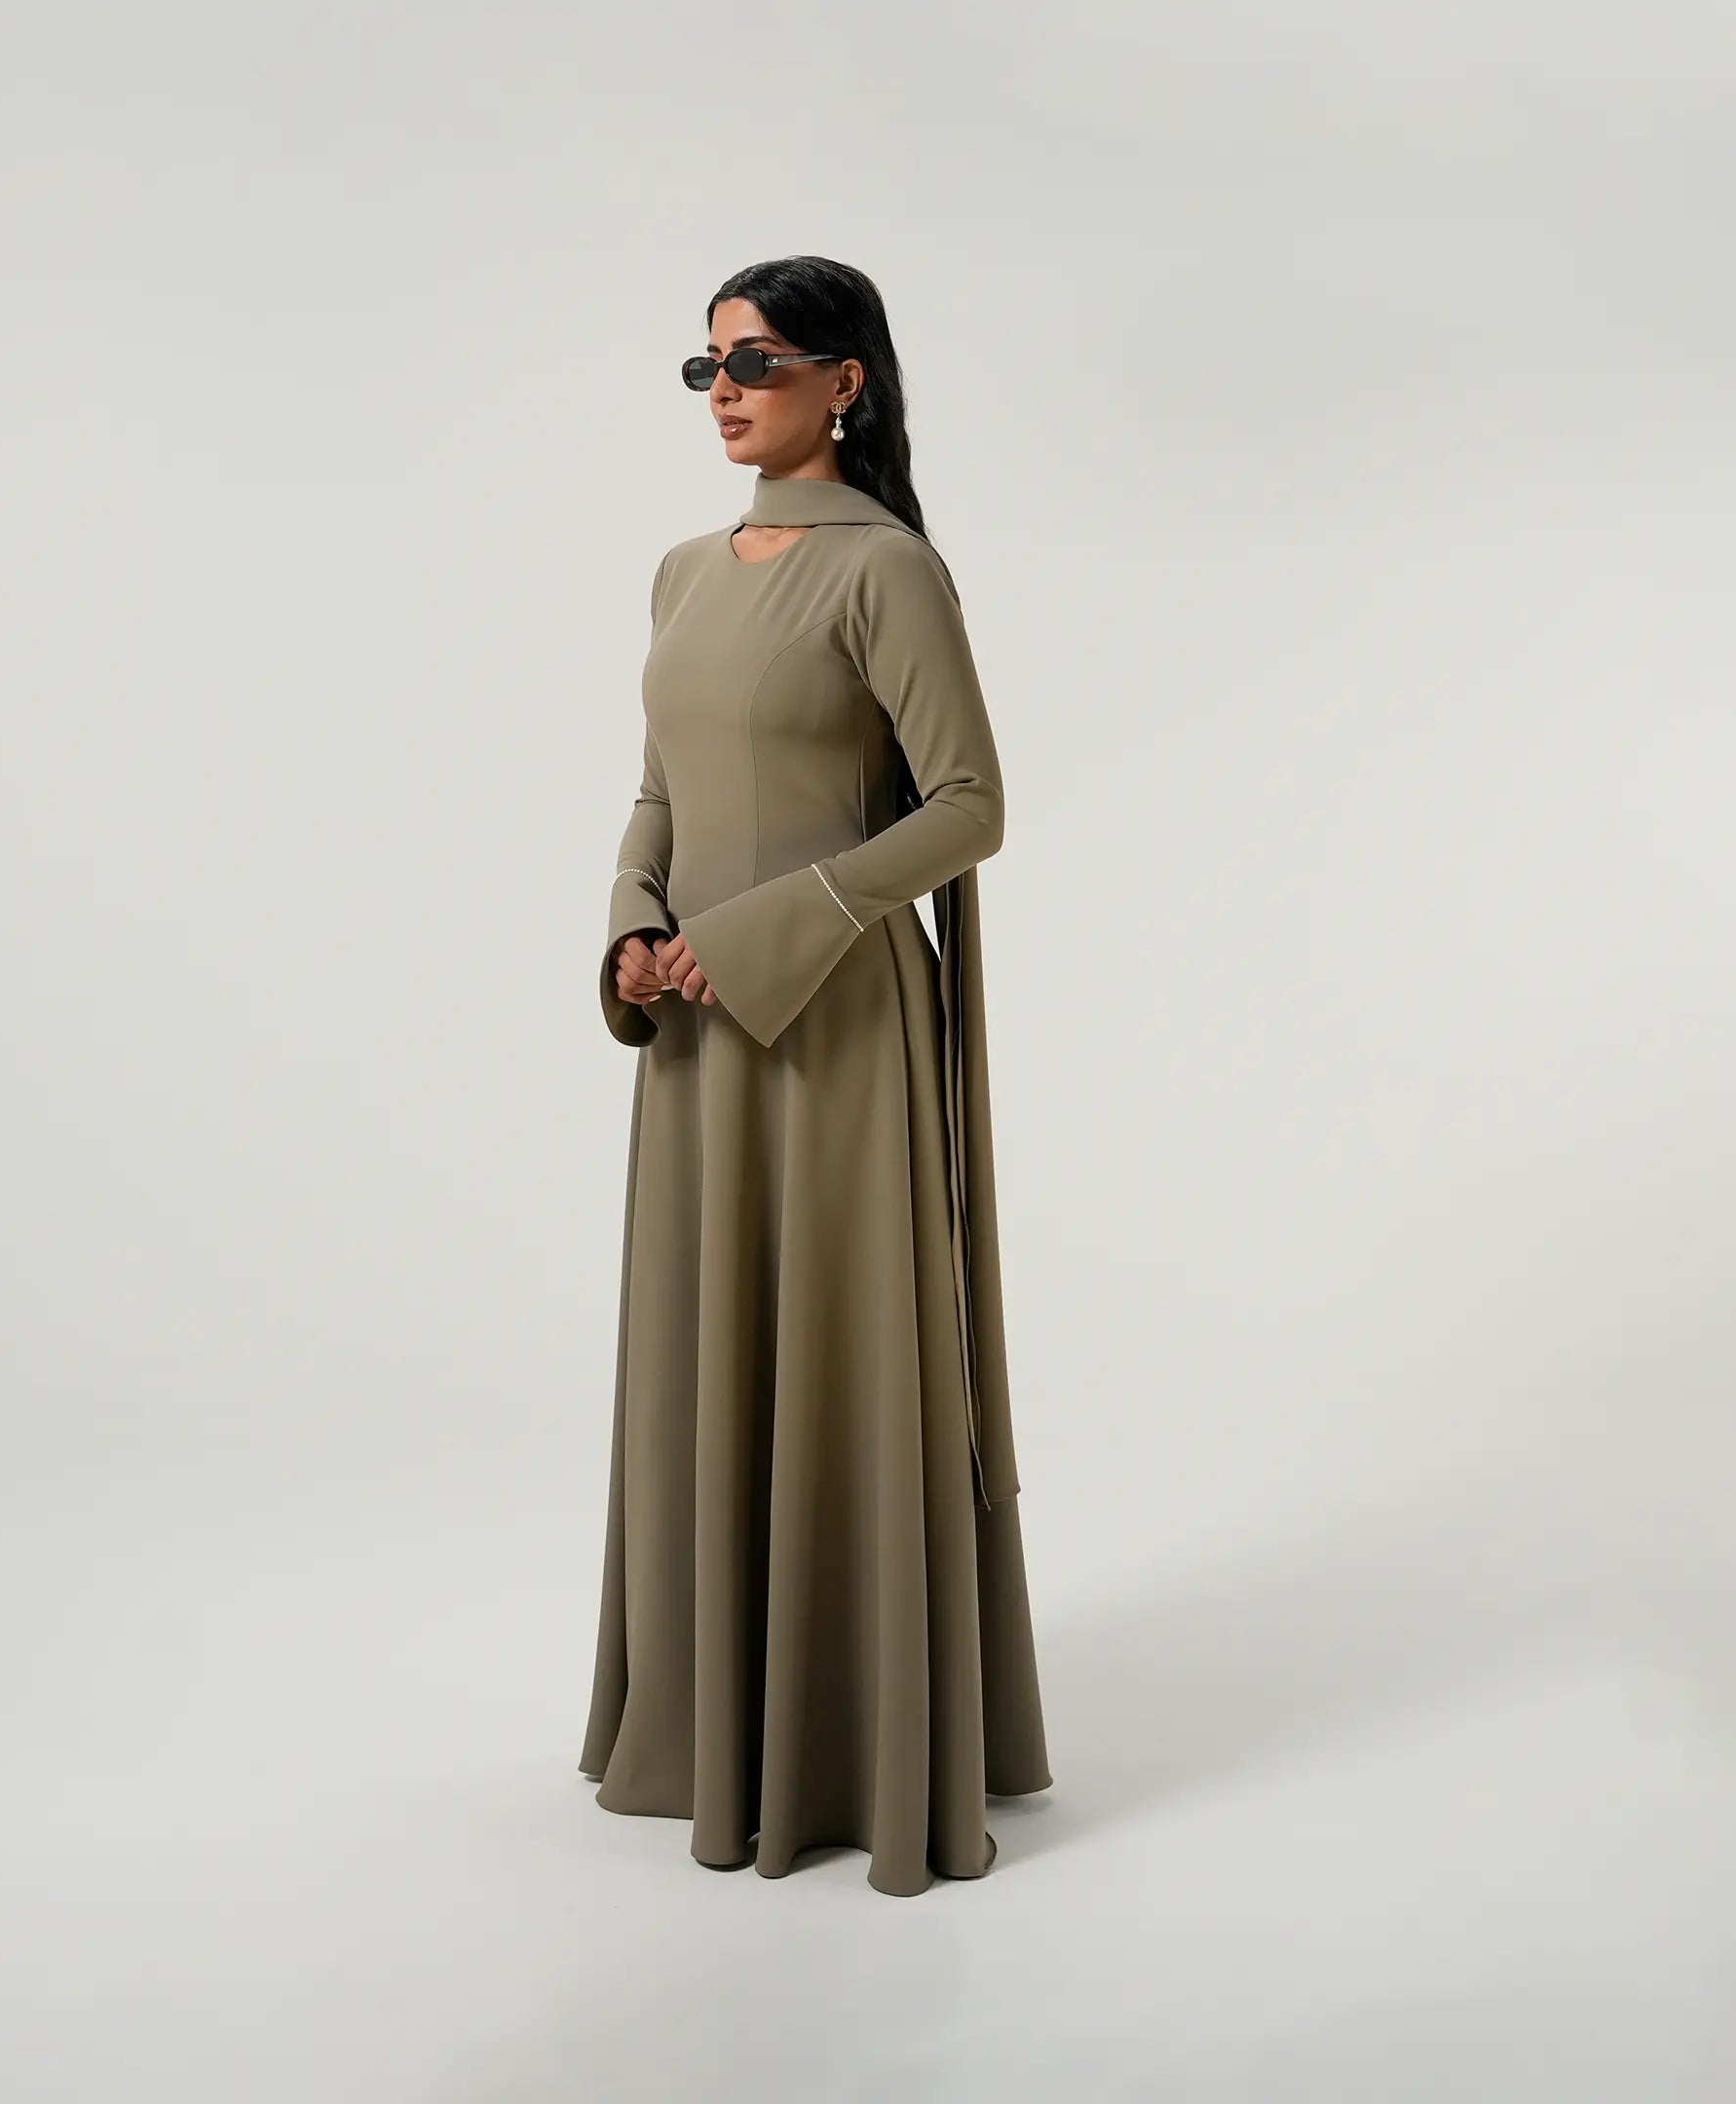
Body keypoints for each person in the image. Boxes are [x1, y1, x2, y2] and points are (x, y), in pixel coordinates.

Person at [579, 255, 1052, 1897]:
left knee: (835, 1366)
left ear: (845, 382)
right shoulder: (681, 573)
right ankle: (712, 1726)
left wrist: (771, 928)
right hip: (699, 1038)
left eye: (760, 361)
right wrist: (636, 925)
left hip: (836, 1028)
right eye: (707, 365)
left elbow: (970, 805)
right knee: (699, 1365)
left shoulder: (888, 572)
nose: (725, 390)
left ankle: (846, 1747)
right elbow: (660, 787)